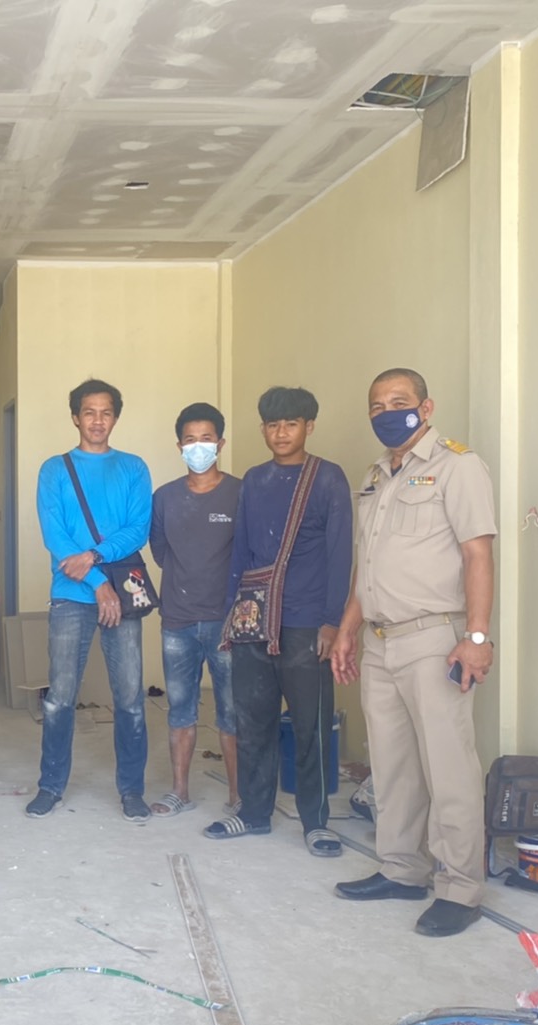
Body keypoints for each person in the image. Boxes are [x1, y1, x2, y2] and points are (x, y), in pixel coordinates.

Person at [331, 368, 497, 938]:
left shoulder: (458, 467)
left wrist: (478, 638)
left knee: (448, 768)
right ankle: (401, 869)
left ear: (426, 408)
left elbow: (477, 555)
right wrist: (348, 629)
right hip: (379, 640)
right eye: (376, 405)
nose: (386, 412)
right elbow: (368, 565)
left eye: (398, 402)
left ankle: (460, 888)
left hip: (434, 639)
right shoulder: (376, 475)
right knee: (393, 765)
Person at [204, 386, 351, 857]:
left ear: (309, 426)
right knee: (253, 720)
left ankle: (316, 822)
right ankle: (253, 813)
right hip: (253, 620)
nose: (281, 432)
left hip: (308, 622)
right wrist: (232, 613)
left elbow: (341, 554)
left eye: (290, 423)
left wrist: (332, 621)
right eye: (272, 424)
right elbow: (241, 551)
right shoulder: (254, 479)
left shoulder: (327, 478)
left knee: (311, 725)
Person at [25, 379, 153, 823]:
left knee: (130, 697)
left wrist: (95, 558)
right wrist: (98, 582)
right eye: (89, 412)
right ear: (75, 417)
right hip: (71, 596)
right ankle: (50, 785)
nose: (98, 421)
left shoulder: (133, 468)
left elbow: (138, 529)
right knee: (60, 697)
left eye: (106, 412)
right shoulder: (54, 470)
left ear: (115, 417)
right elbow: (55, 536)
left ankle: (132, 790)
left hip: (122, 595)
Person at [148, 402, 242, 818]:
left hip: (228, 622)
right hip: (178, 620)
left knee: (232, 713)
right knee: (180, 709)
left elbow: (249, 552)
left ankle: (238, 795)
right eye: (190, 440)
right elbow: (160, 550)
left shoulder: (240, 493)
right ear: (179, 446)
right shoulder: (165, 498)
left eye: (206, 439)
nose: (198, 446)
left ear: (220, 443)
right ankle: (180, 791)